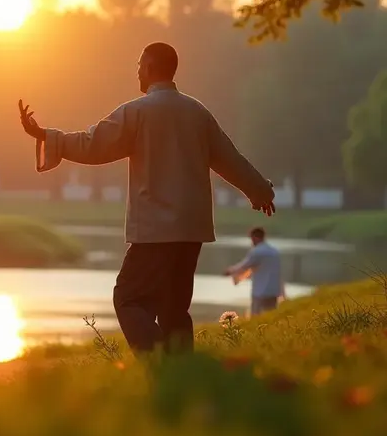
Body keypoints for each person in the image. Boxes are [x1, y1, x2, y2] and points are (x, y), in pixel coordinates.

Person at [18, 42, 275, 355]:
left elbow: (92, 144)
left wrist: (46, 136)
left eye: (140, 64)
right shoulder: (196, 112)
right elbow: (228, 158)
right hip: (191, 229)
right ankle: (181, 370)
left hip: (155, 229)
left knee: (128, 298)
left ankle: (158, 360)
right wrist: (259, 190)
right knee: (174, 308)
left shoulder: (137, 112)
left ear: (151, 67)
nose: (137, 70)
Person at [225, 227, 284, 317]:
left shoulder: (257, 252)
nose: (251, 241)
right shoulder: (274, 252)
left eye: (251, 238)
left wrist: (230, 271)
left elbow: (244, 266)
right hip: (273, 290)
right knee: (271, 316)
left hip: (260, 291)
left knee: (255, 316)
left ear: (255, 237)